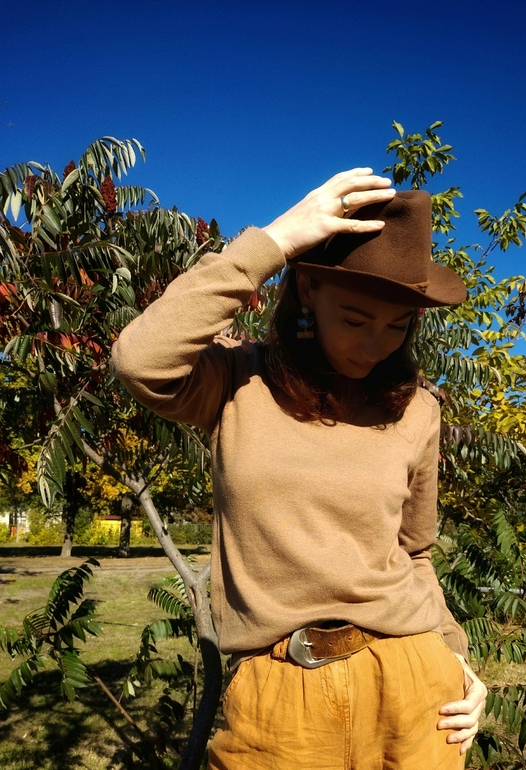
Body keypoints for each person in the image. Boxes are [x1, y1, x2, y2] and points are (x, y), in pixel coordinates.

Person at [112, 168, 487, 769]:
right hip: (279, 698)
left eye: (397, 326)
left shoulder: (417, 409)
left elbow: (415, 552)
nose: (376, 346)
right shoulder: (237, 380)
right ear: (309, 288)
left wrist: (457, 656)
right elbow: (139, 360)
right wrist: (277, 242)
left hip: (417, 686)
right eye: (356, 319)